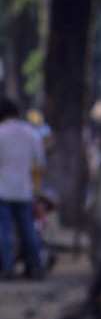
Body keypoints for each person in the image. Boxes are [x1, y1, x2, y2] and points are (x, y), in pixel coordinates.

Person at [0, 97, 46, 280]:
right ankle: (37, 266)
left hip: (3, 190)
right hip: (24, 190)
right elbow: (40, 163)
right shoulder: (31, 133)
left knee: (4, 232)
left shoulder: (0, 133)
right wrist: (37, 187)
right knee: (29, 230)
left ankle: (8, 269)